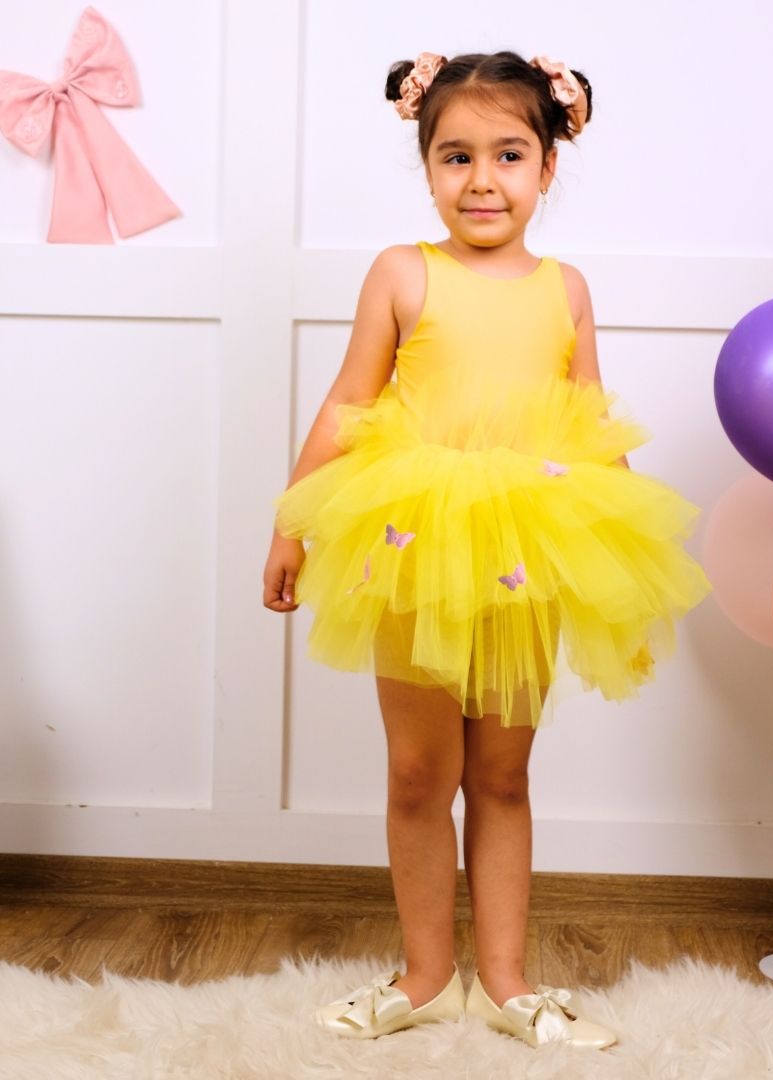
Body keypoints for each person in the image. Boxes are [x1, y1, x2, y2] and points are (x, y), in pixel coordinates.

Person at [262, 50, 709, 1050]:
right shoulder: (402, 272)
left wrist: (623, 558)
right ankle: (427, 976)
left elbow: (591, 428)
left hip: (523, 550)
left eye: (509, 155)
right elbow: (348, 405)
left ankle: (505, 984)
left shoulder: (566, 289)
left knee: (502, 778)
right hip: (414, 540)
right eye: (456, 157)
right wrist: (292, 523)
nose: (482, 181)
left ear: (548, 167)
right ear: (426, 167)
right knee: (420, 775)